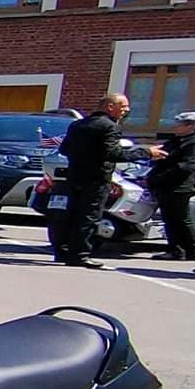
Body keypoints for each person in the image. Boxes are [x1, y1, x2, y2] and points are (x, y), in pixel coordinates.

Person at [55, 93, 130, 269]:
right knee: (89, 216)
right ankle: (80, 254)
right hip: (97, 178)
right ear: (110, 106)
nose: (127, 110)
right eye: (123, 106)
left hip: (75, 175)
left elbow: (65, 149)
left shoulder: (77, 125)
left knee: (71, 215)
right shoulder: (109, 126)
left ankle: (63, 250)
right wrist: (146, 153)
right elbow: (113, 153)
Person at [147, 109, 195, 263]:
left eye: (180, 124)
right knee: (170, 219)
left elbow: (187, 166)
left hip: (180, 187)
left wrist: (161, 176)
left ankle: (192, 250)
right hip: (165, 186)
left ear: (191, 126)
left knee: (181, 219)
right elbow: (161, 155)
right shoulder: (176, 141)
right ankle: (177, 250)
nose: (176, 127)